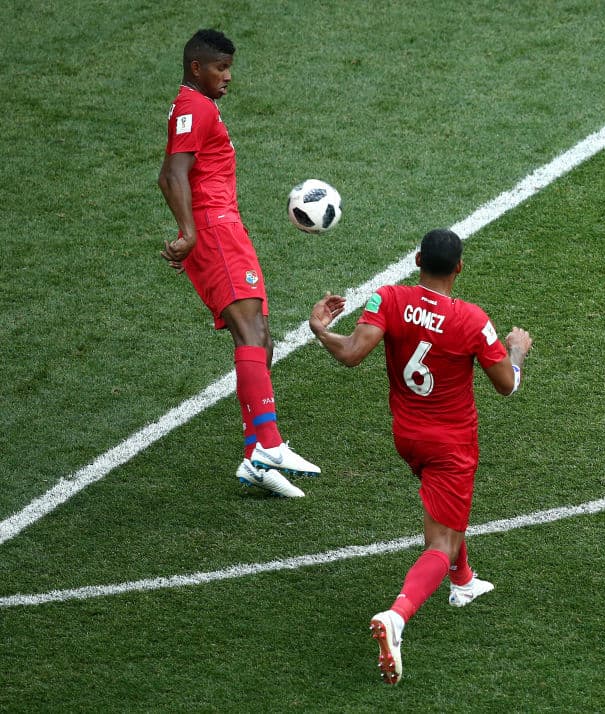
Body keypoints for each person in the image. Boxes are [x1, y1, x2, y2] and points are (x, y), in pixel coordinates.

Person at [308, 228, 532, 684]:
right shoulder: (471, 320)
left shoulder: (388, 297)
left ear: (416, 260)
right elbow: (507, 385)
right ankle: (397, 616)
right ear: (460, 268)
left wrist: (320, 331)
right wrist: (517, 352)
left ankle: (463, 581)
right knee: (440, 542)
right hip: (451, 444)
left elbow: (352, 354)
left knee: (446, 510)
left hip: (407, 437)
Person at [158, 29, 319, 498]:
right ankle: (268, 444)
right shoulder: (194, 106)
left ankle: (256, 457)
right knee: (251, 336)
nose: (227, 77)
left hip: (226, 227)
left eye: (229, 68)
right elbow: (171, 174)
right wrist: (189, 233)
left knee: (262, 339)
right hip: (213, 229)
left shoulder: (200, 106)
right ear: (196, 68)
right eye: (219, 68)